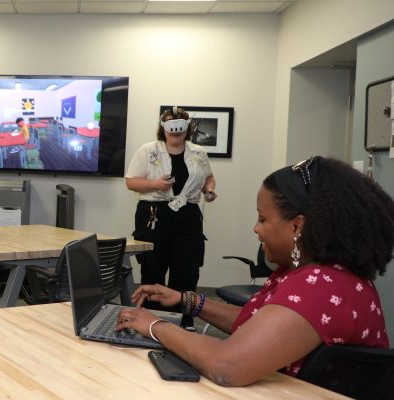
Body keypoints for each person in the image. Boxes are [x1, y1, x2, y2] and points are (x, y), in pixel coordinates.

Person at [116, 156, 391, 387]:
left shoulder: (320, 285)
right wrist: (185, 300)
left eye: (263, 218)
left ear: (297, 226)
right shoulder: (314, 272)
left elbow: (227, 365)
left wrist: (152, 324)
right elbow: (258, 323)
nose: (256, 228)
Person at [124, 106, 217, 330]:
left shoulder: (198, 153)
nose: (176, 134)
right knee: (153, 267)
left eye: (180, 130)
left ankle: (184, 318)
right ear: (163, 129)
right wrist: (156, 184)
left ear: (188, 129)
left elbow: (209, 177)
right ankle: (152, 318)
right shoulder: (148, 151)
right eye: (171, 130)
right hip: (154, 214)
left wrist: (209, 190)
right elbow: (131, 181)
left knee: (187, 267)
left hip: (188, 215)